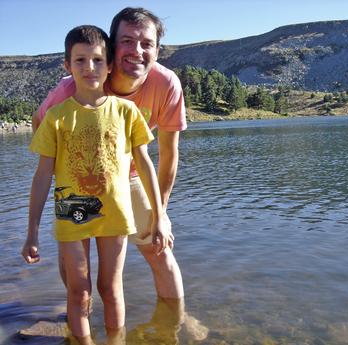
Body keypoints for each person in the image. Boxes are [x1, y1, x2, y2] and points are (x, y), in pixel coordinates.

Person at [32, 6, 208, 340]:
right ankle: (75, 319)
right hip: (81, 182)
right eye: (127, 41)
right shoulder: (76, 85)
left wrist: (161, 213)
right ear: (113, 47)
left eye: (146, 43)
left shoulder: (166, 83)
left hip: (130, 177)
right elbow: (39, 123)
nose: (137, 51)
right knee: (75, 268)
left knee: (159, 248)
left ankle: (175, 320)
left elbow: (168, 155)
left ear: (157, 50)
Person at [22, 25, 169, 345]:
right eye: (80, 61)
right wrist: (32, 230)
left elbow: (145, 165)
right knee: (79, 288)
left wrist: (159, 217)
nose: (90, 68)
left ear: (110, 65)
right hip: (71, 209)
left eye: (98, 60)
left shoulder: (126, 111)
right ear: (67, 66)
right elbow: (42, 175)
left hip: (115, 212)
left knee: (110, 287)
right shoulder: (57, 117)